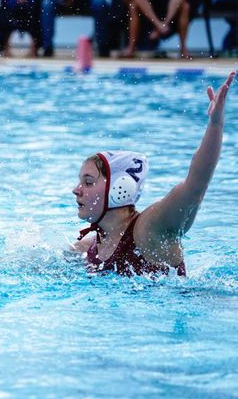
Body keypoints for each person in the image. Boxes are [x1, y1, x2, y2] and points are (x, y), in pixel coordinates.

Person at [72, 71, 235, 276]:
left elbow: (195, 186)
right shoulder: (91, 245)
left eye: (88, 182)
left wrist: (215, 125)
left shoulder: (150, 230)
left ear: (119, 188)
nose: (76, 190)